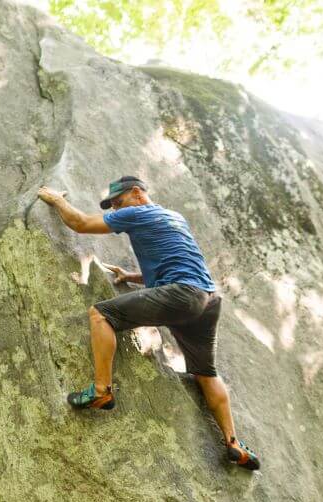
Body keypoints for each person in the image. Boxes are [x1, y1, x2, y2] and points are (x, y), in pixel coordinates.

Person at [37, 175, 260, 471]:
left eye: (119, 202)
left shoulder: (137, 212)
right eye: (113, 205)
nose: (116, 209)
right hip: (207, 299)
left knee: (101, 315)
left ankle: (101, 391)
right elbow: (178, 260)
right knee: (205, 373)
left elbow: (80, 224)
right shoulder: (174, 218)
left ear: (138, 194)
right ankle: (234, 444)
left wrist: (56, 199)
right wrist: (131, 277)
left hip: (183, 295)